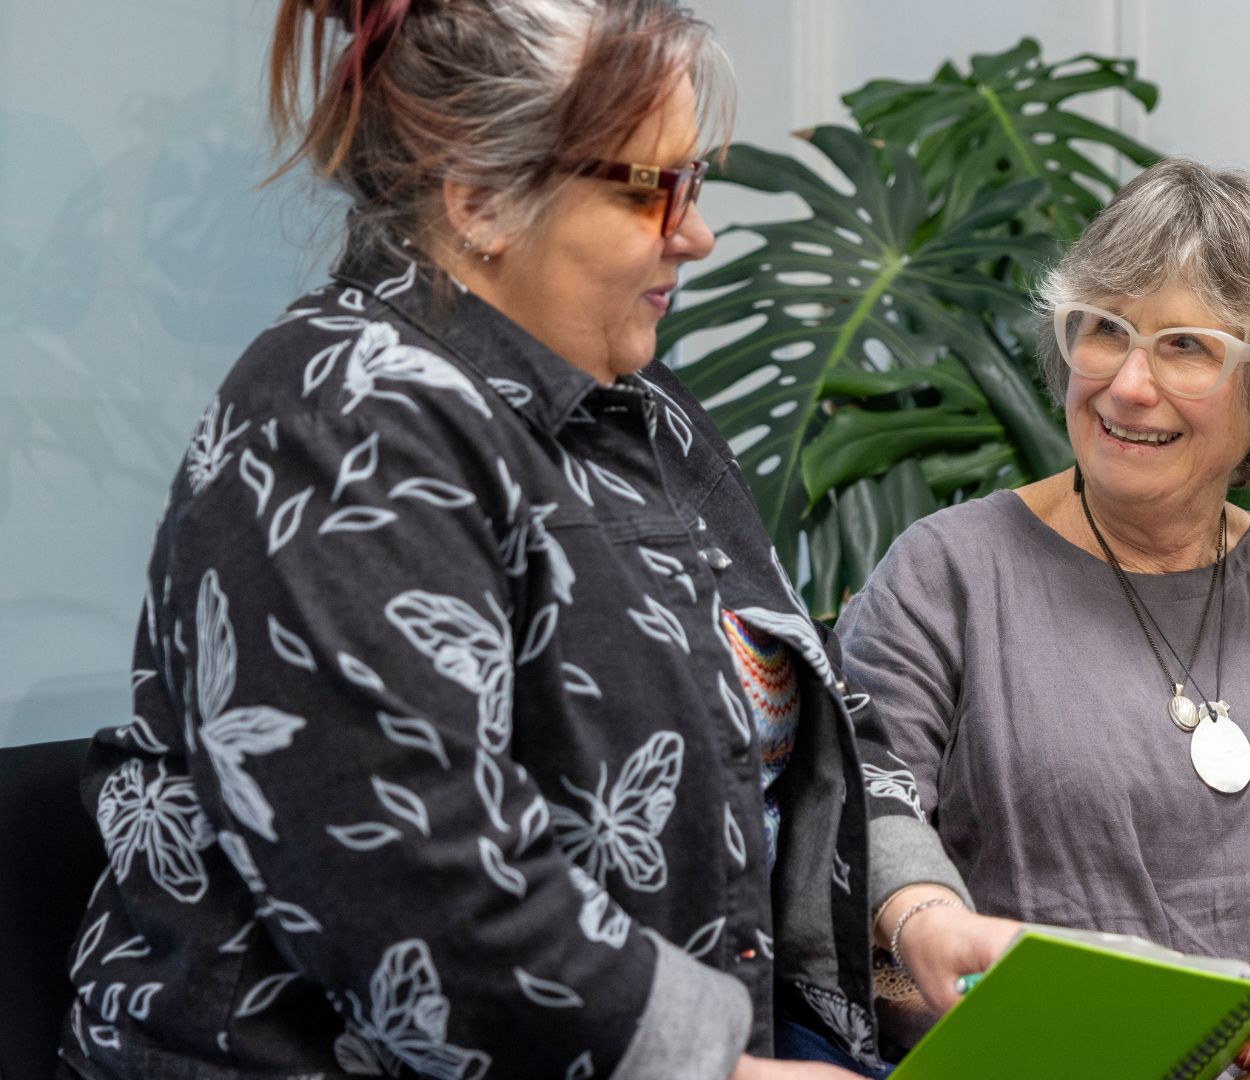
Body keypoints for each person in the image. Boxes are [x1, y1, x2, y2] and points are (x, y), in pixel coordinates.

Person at [60, 2, 1013, 1077]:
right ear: (478, 199)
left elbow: (812, 723)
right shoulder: (338, 421)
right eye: (653, 188)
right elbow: (421, 889)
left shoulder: (645, 411)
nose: (694, 232)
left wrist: (918, 922)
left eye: (694, 182)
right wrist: (727, 1071)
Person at [837, 159, 1250, 1079]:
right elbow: (864, 806)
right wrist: (928, 918)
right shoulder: (946, 572)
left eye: (1187, 347)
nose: (1127, 386)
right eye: (1104, 330)